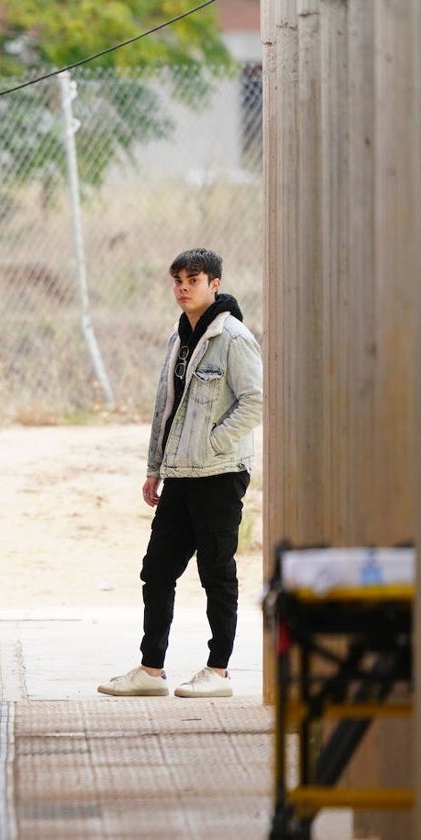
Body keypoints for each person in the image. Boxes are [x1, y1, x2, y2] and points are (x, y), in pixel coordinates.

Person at [98, 247, 263, 699]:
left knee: (216, 572)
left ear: (215, 284)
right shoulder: (180, 337)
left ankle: (218, 671)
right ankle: (151, 671)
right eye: (177, 280)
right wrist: (155, 468)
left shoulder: (233, 337)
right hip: (179, 476)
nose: (183, 287)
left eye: (193, 279)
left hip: (220, 473)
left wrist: (211, 442)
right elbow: (165, 410)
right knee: (157, 570)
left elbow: (254, 400)